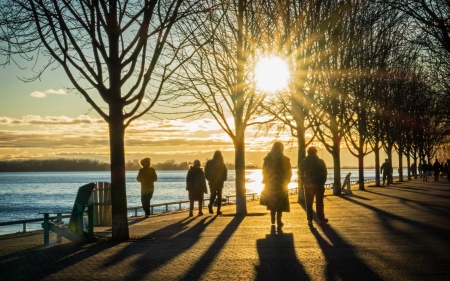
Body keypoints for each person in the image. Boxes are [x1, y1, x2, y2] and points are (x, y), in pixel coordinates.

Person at [260, 141, 292, 228]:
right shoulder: (285, 159)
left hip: (270, 183)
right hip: (281, 183)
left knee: (272, 200)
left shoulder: (267, 159)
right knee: (281, 202)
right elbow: (289, 171)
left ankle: (273, 217)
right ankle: (279, 220)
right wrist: (288, 180)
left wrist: (265, 179)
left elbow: (264, 170)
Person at [300, 146, 327, 227]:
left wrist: (303, 181)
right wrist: (322, 181)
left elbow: (300, 172)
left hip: (308, 185)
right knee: (319, 202)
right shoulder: (320, 161)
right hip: (319, 185)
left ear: (308, 152)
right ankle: (321, 218)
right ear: (316, 152)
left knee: (309, 203)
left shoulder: (304, 162)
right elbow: (325, 173)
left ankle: (309, 220)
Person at [204, 150, 228, 215]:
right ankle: (218, 210)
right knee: (219, 195)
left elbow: (206, 171)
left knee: (213, 194)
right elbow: (225, 172)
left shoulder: (209, 162)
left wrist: (208, 178)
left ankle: (210, 205)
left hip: (212, 182)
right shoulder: (222, 164)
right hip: (220, 182)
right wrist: (224, 178)